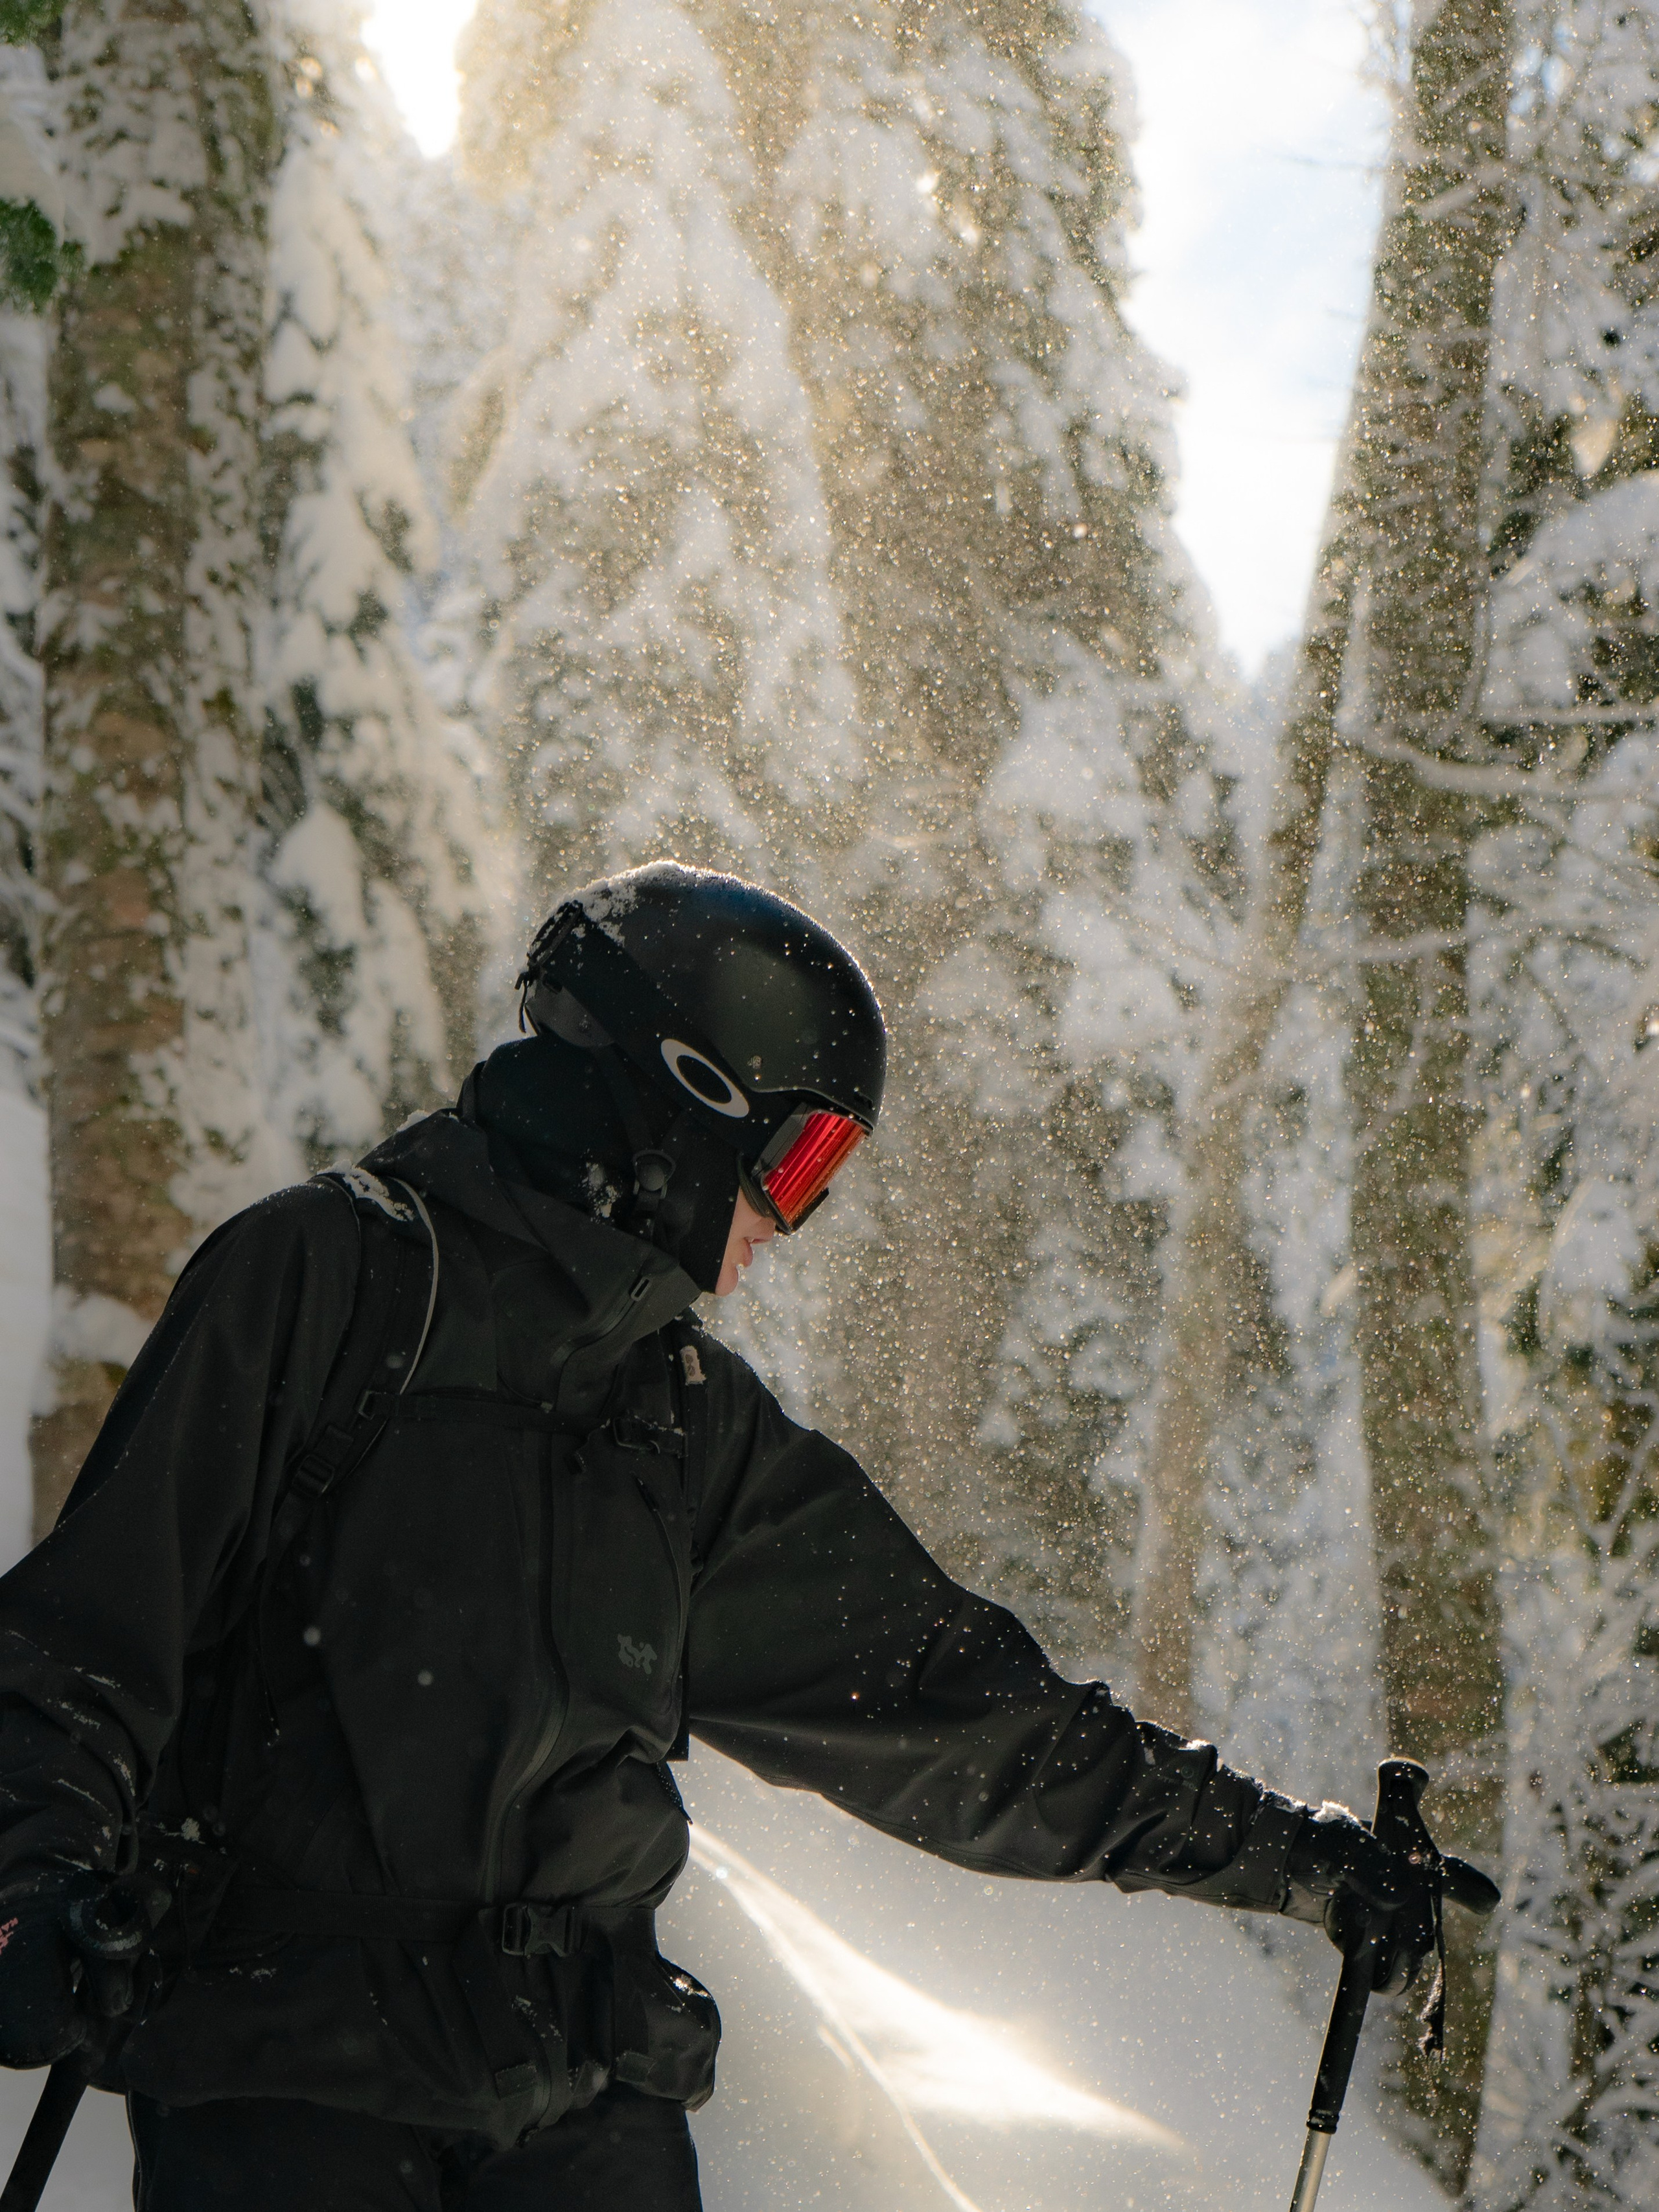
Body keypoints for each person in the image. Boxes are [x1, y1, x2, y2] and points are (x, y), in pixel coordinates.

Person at [0, 865, 1486, 2210]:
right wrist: (37, 1887)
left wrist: (1293, 1861)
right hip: (293, 2094)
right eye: (800, 1159)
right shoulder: (327, 1282)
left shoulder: (682, 1422)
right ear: (683, 1100)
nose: (795, 1219)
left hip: (586, 2116)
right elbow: (83, 1644)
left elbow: (959, 1712)